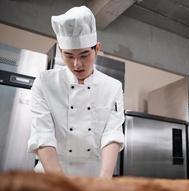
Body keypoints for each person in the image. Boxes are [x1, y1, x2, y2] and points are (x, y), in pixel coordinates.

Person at [27, 6, 124, 178]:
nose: (77, 64)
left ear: (97, 49)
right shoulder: (45, 83)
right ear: (60, 51)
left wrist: (105, 180)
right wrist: (61, 184)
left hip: (94, 178)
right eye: (69, 56)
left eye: (84, 55)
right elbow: (42, 134)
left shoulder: (113, 86)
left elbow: (112, 135)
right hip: (50, 177)